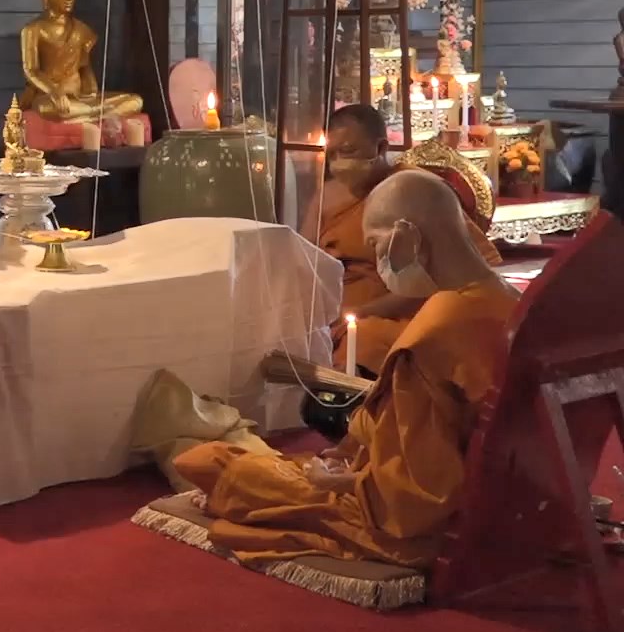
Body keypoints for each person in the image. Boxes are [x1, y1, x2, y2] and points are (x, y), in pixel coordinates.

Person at [174, 170, 519, 569]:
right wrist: (353, 447)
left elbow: (415, 498)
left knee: (214, 462)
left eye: (375, 244)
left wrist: (345, 482)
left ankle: (241, 494)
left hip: (420, 524)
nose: (378, 261)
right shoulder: (506, 298)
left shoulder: (436, 331)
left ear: (405, 236)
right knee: (288, 465)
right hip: (503, 497)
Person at [308, 103, 498, 376]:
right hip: (334, 308)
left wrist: (360, 312)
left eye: (348, 151)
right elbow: (306, 257)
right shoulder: (327, 195)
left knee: (364, 341)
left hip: (399, 312)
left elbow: (450, 275)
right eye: (332, 154)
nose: (338, 163)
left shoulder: (412, 190)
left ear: (381, 148)